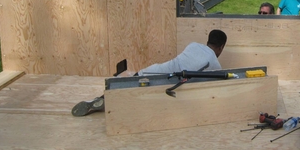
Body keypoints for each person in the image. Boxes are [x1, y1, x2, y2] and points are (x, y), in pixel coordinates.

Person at [71, 29, 228, 117]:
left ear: (208, 40)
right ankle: (115, 100)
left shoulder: (193, 45)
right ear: (221, 47)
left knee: (139, 76)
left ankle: (102, 97)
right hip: (173, 83)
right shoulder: (215, 63)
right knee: (144, 90)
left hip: (162, 69)